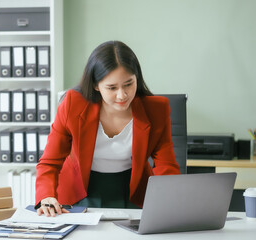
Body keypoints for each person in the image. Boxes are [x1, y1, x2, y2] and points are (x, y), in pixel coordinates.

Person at [35, 40, 180, 217]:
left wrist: (171, 199)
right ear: (96, 85)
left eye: (129, 84)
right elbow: (50, 161)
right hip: (80, 192)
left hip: (134, 192)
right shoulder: (72, 104)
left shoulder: (156, 109)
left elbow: (166, 164)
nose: (122, 95)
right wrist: (47, 195)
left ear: (137, 78)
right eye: (112, 87)